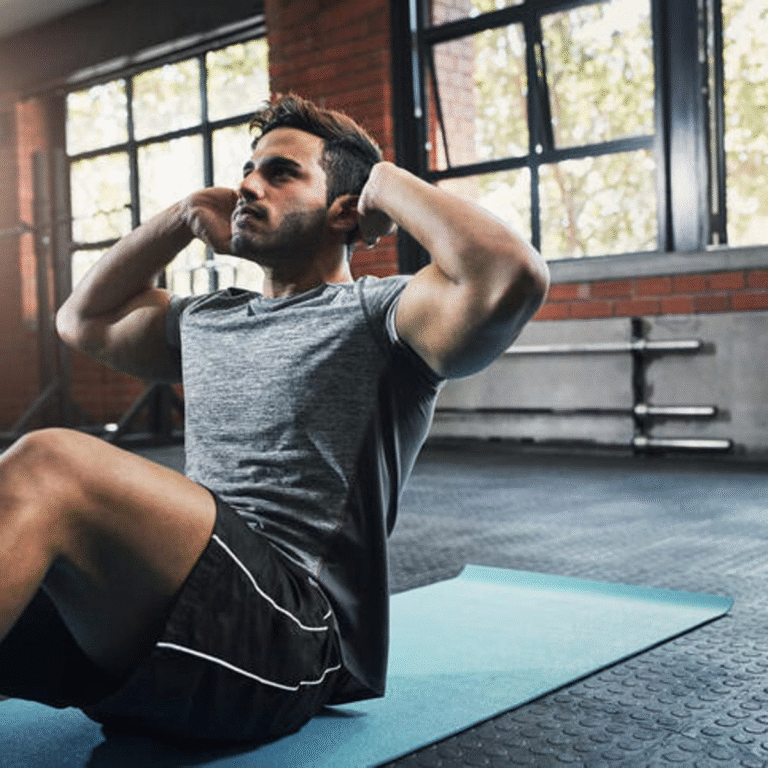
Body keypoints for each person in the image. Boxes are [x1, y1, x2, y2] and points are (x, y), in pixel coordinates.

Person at [0, 94, 548, 744]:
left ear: (346, 208)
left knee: (49, 466)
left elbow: (511, 275)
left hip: (290, 634)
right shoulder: (206, 318)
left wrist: (382, 181)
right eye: (248, 169)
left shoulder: (383, 315)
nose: (248, 186)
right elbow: (80, 320)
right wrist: (178, 219)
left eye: (281, 173)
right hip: (177, 621)